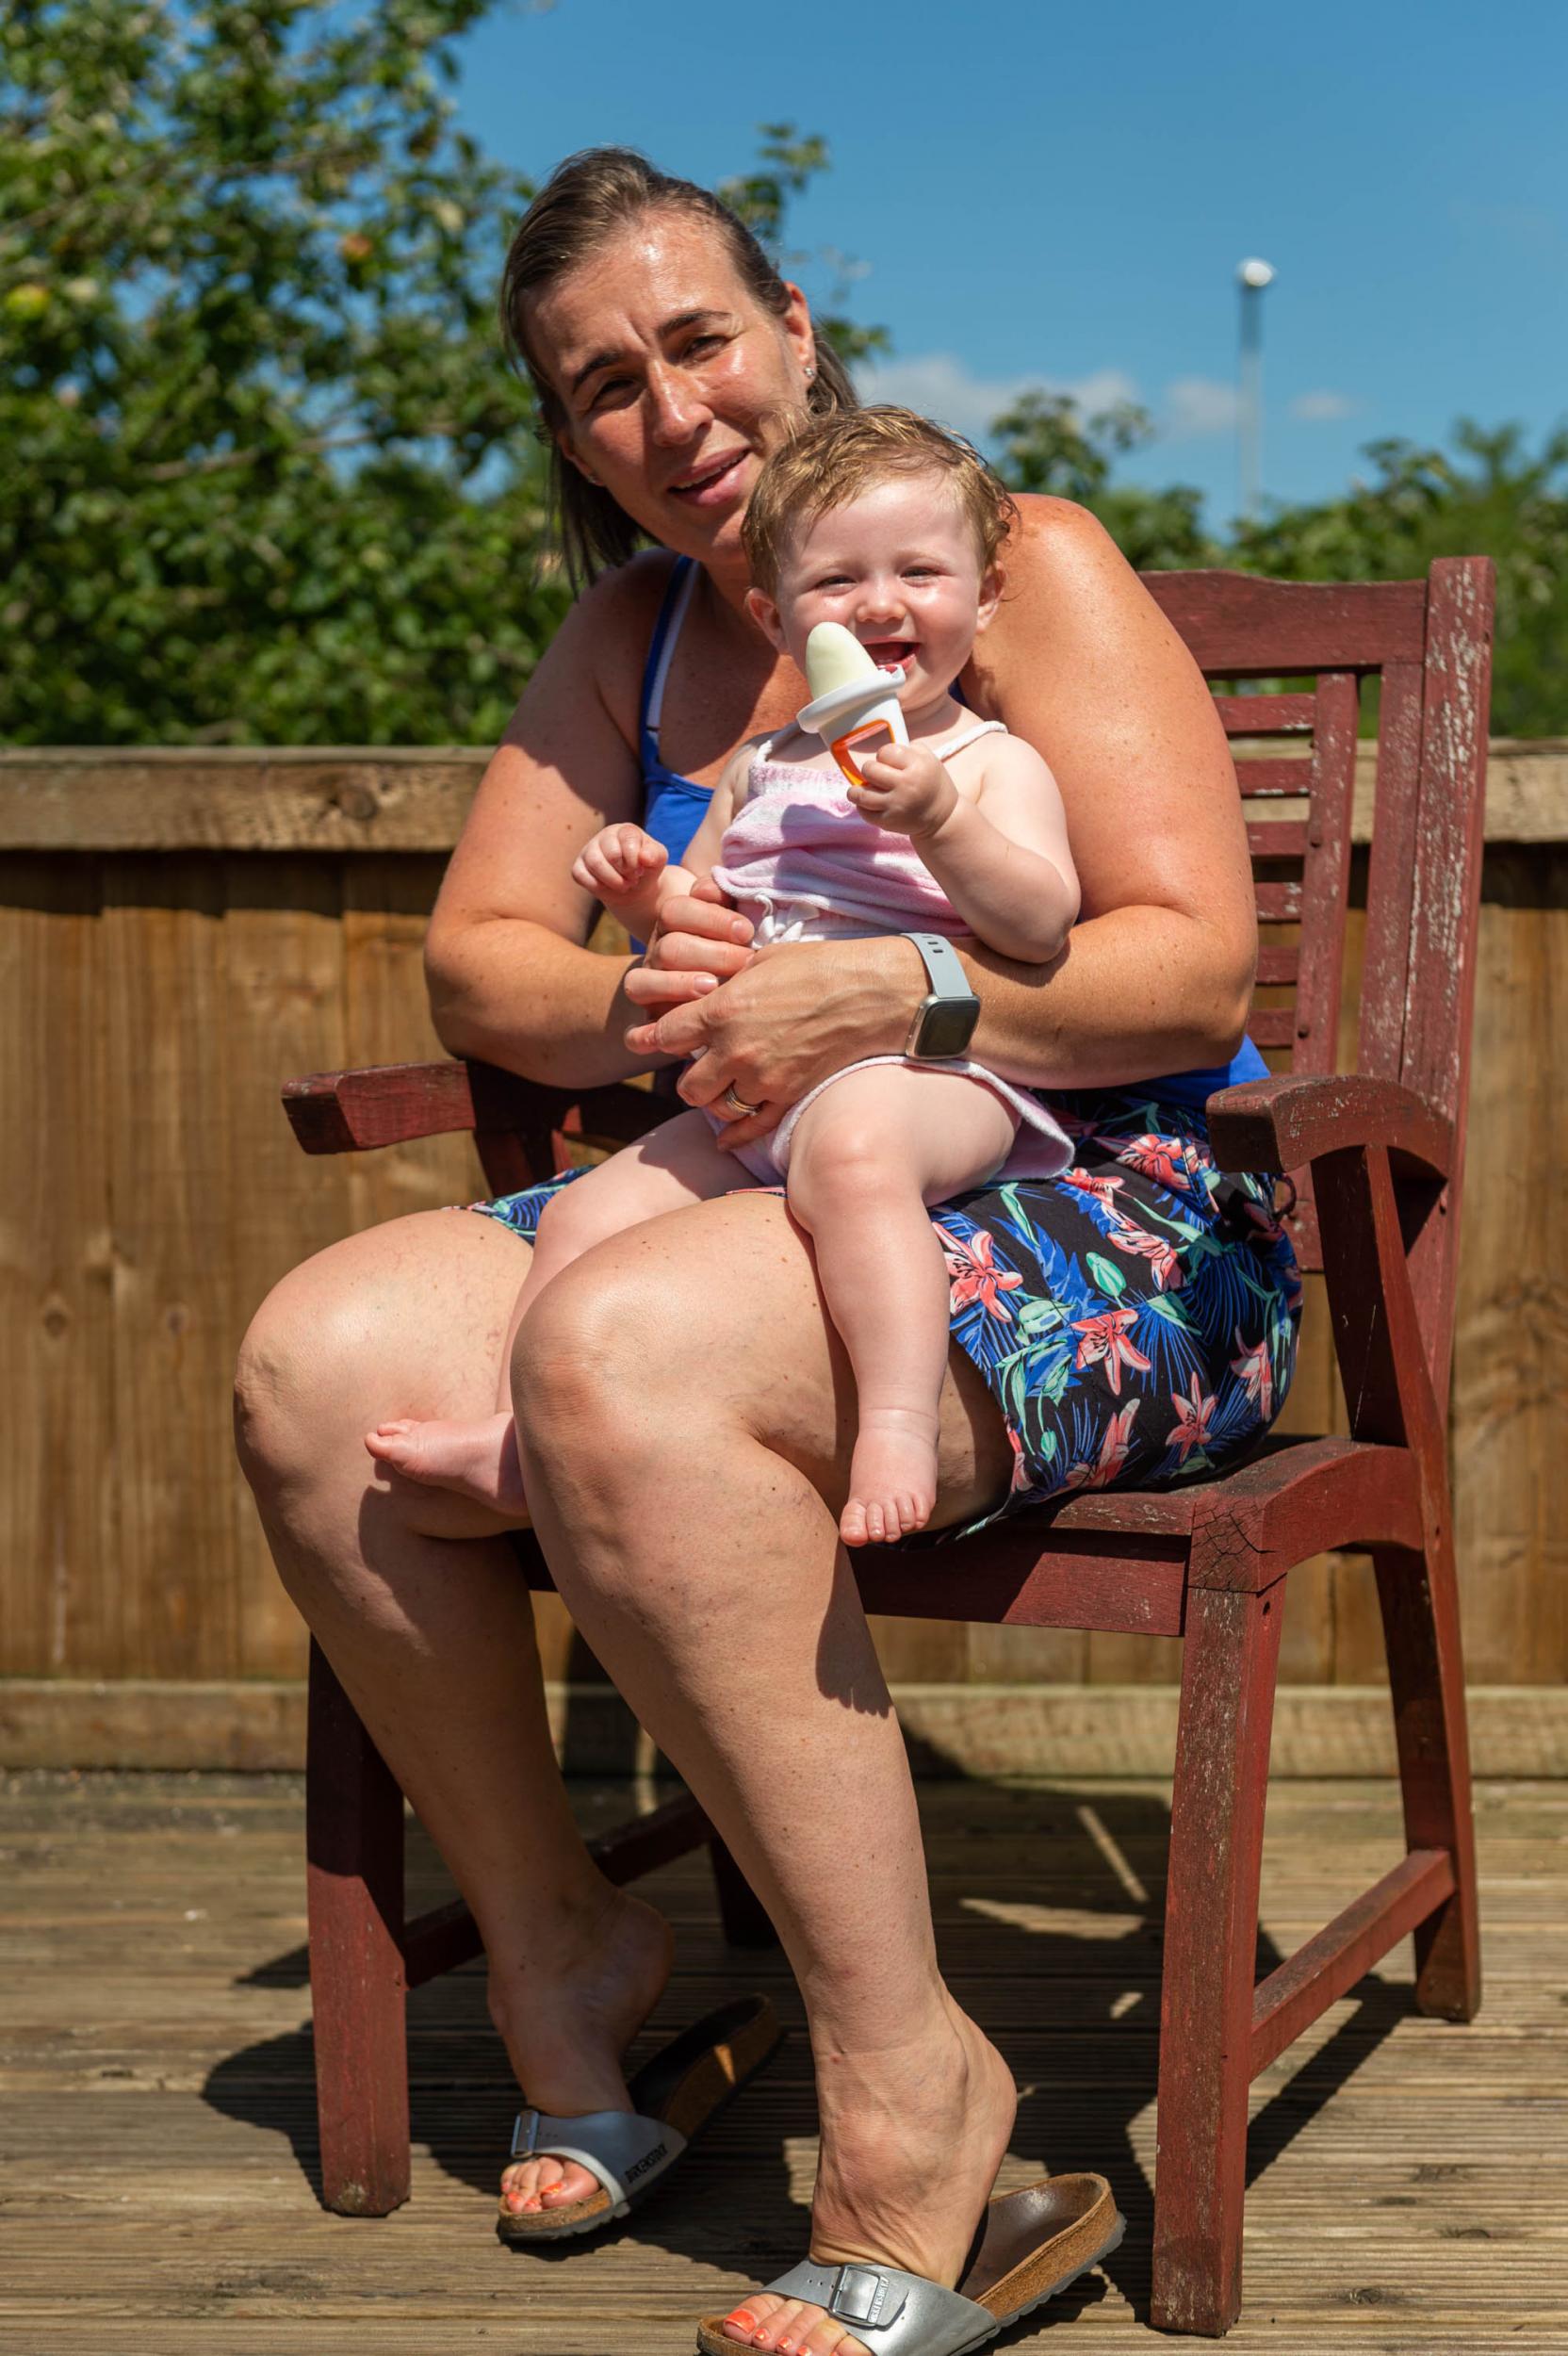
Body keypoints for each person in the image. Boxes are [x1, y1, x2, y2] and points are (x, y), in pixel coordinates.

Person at [235, 146, 1300, 2356]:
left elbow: (1186, 975)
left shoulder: (1011, 572)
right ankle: (569, 1959)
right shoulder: (627, 636)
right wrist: (653, 994)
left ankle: (912, 2091)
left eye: (697, 340)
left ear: (792, 331)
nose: (669, 408)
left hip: (1083, 1197)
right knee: (318, 1362)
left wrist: (885, 998)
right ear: (568, 436)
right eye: (601, 385)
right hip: (743, 1158)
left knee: (617, 1357)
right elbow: (475, 962)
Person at [368, 407, 1080, 1549]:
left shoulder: (987, 760)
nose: (881, 605)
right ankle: (518, 1435)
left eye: (919, 572)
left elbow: (1040, 922)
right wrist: (644, 893)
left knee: (851, 1159)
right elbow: (707, 917)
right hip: (756, 1097)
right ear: (776, 616)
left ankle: (898, 1420)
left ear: (984, 597)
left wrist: (941, 821)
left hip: (929, 1077)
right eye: (837, 582)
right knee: (593, 1211)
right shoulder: (765, 764)